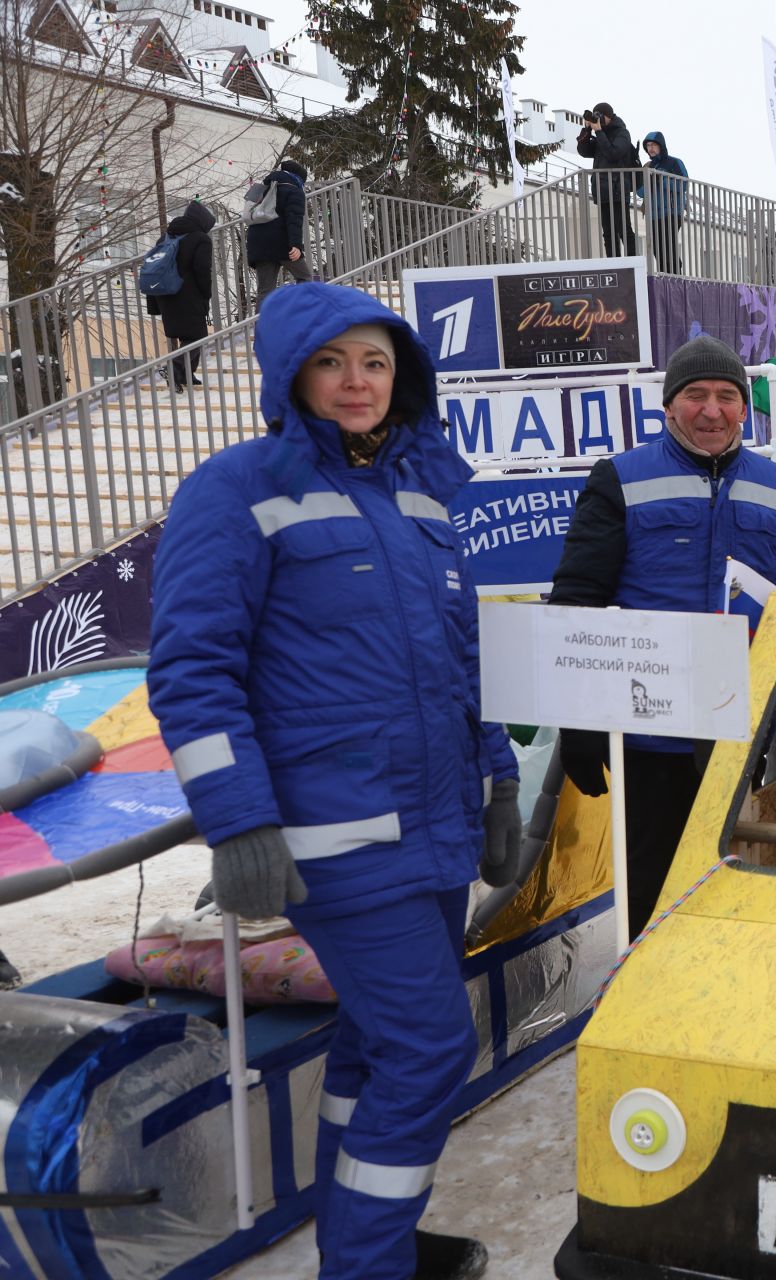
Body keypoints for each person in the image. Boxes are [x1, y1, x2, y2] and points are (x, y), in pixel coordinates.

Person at [148, 281, 522, 1280]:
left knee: (372, 1047)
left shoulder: (418, 495)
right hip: (336, 836)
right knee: (431, 1046)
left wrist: (499, 783)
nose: (357, 382)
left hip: (434, 827)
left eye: (376, 362)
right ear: (291, 373)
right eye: (332, 360)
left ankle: (367, 1236)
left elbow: (460, 663)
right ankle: (366, 1264)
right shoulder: (235, 488)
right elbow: (192, 667)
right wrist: (238, 823)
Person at [548, 335, 776, 938]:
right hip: (647, 736)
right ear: (669, 406)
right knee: (652, 894)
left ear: (743, 406)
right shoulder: (619, 478)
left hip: (742, 731)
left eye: (727, 396)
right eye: (696, 395)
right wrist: (577, 721)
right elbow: (577, 600)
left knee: (730, 886)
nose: (712, 410)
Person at [144, 198, 216, 391]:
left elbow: (154, 265)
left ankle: (185, 374)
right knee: (196, 336)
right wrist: (206, 294)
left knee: (188, 335)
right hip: (188, 295)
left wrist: (155, 303)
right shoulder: (201, 239)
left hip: (166, 294)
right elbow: (202, 269)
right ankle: (173, 368)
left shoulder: (166, 237)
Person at [246, 159, 313, 307]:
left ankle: (262, 328)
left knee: (265, 290)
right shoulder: (294, 190)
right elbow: (294, 220)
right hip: (282, 243)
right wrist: (295, 245)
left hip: (258, 244)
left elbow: (249, 214)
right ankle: (303, 314)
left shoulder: (262, 187)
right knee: (305, 278)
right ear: (299, 178)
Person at [575, 103, 638, 258]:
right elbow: (583, 151)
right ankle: (613, 262)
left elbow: (613, 153)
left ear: (610, 116)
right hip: (602, 190)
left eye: (601, 116)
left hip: (618, 188)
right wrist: (587, 130)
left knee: (623, 228)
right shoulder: (599, 133)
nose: (599, 120)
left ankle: (631, 261)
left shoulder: (622, 133)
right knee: (608, 231)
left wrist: (599, 132)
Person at [640, 131, 688, 274]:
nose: (651, 148)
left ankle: (674, 276)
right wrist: (650, 182)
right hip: (654, 214)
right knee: (657, 247)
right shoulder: (647, 166)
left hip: (672, 212)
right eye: (648, 146)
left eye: (654, 145)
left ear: (661, 146)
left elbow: (683, 185)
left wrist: (661, 179)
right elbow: (640, 192)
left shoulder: (674, 162)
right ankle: (663, 274)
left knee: (669, 245)